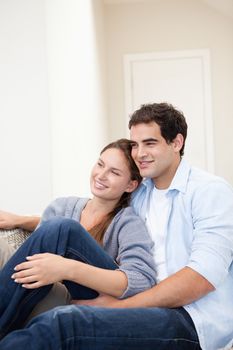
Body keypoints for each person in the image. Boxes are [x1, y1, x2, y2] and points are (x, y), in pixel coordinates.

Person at [0, 103, 232, 350]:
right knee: (62, 229)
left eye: (150, 143)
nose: (140, 153)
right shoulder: (141, 191)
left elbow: (201, 279)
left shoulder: (209, 191)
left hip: (186, 318)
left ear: (176, 143)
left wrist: (119, 307)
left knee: (62, 323)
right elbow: (91, 215)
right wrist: (23, 219)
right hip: (134, 293)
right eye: (135, 144)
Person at [0, 138, 156, 339]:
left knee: (63, 227)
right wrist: (20, 220)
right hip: (40, 291)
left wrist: (66, 269)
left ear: (130, 185)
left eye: (114, 172)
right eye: (100, 164)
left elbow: (141, 281)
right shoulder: (61, 206)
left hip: (78, 300)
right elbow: (33, 251)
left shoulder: (128, 223)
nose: (101, 175)